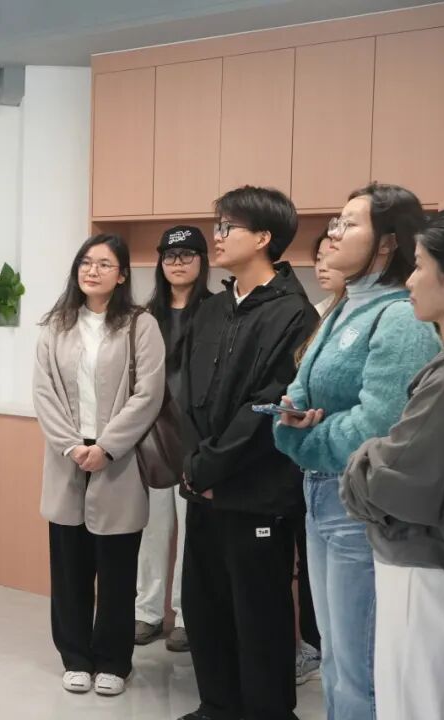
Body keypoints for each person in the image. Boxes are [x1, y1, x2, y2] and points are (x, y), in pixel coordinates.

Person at [274, 183, 439, 720]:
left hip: (357, 501)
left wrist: (305, 437)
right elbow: (303, 388)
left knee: (359, 668)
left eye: (349, 224)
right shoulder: (347, 306)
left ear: (387, 242)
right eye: (336, 223)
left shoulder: (399, 317)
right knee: (335, 661)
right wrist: (292, 415)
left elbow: (380, 426)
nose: (334, 235)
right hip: (320, 490)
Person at [176, 186, 319, 720]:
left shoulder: (293, 313)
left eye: (226, 227)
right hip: (204, 487)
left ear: (263, 237)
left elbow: (269, 405)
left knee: (258, 614)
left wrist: (213, 467)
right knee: (204, 604)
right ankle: (216, 705)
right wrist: (195, 466)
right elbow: (187, 394)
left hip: (256, 491)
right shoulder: (212, 309)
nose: (215, 237)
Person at [32, 234, 165, 698]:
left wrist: (107, 446)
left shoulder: (140, 325)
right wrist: (71, 446)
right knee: (69, 569)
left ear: (122, 275)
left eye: (105, 264)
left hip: (118, 458)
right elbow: (44, 392)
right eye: (86, 262)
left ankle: (113, 660)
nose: (92, 270)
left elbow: (149, 393)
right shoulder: (56, 325)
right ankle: (75, 656)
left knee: (116, 568)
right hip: (66, 457)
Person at [341, 208, 444, 719]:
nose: (410, 279)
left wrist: (363, 457)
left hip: (423, 568)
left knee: (413, 702)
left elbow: (388, 480)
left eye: (421, 265)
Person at [134, 225, 211, 652]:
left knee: (193, 531)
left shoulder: (218, 310)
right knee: (153, 527)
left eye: (187, 255)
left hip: (199, 438)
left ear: (202, 260)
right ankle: (147, 612)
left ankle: (185, 615)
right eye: (169, 256)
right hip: (152, 436)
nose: (177, 263)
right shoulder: (145, 317)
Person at [291, 230, 348, 686]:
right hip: (307, 462)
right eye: (319, 256)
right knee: (310, 573)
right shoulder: (320, 314)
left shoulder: (380, 316)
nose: (323, 264)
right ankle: (310, 646)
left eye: (333, 254)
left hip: (346, 471)